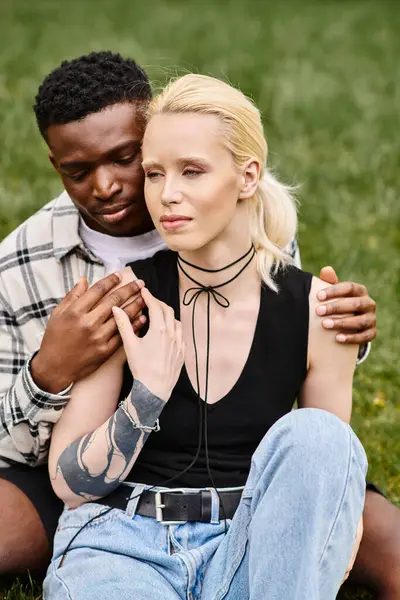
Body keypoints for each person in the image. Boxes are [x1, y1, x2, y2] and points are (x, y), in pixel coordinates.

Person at [0, 54, 396, 599]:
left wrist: (341, 330)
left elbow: (327, 478)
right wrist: (143, 394)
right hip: (122, 535)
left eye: (187, 171)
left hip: (247, 528)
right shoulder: (117, 292)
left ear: (249, 175)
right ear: (56, 164)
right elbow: (67, 483)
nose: (160, 193)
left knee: (321, 437)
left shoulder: (301, 292)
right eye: (158, 173)